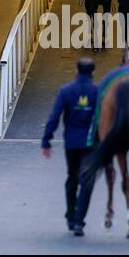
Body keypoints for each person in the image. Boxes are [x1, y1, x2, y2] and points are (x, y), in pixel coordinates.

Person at [41, 58, 97, 237]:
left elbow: (54, 116)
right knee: (87, 182)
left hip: (71, 143)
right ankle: (79, 220)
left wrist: (46, 140)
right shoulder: (98, 92)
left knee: (72, 177)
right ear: (93, 72)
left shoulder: (65, 91)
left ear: (76, 70)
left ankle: (70, 216)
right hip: (90, 144)